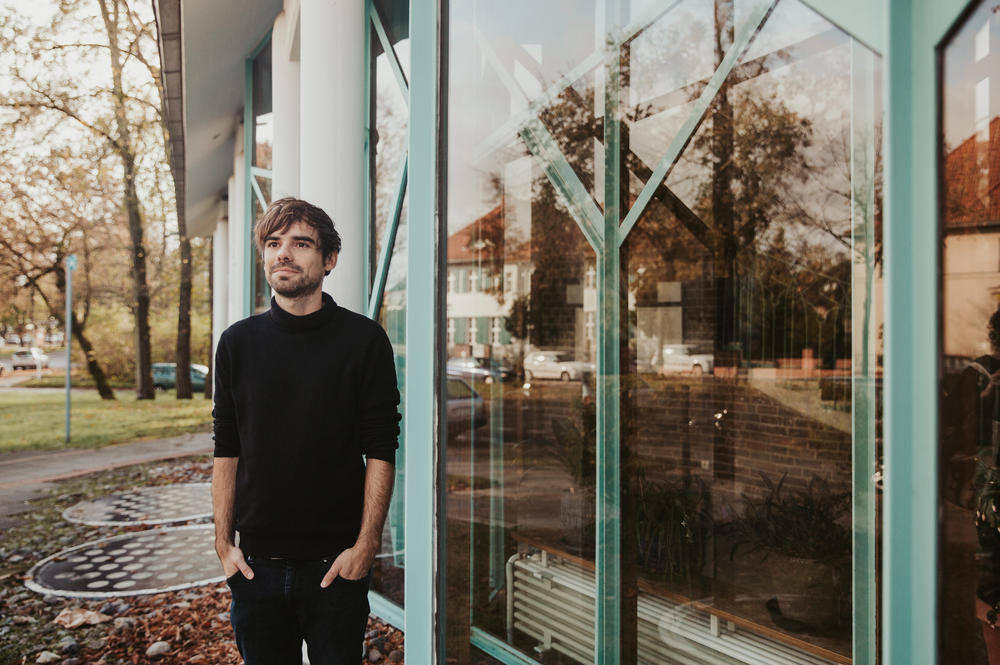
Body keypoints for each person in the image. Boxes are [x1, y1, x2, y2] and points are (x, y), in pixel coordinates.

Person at [211, 197, 400, 664]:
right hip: (256, 569)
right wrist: (223, 545)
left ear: (329, 259)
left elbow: (381, 446)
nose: (283, 254)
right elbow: (226, 447)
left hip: (334, 567)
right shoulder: (237, 343)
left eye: (301, 243)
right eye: (273, 244)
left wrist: (366, 545)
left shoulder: (364, 341)